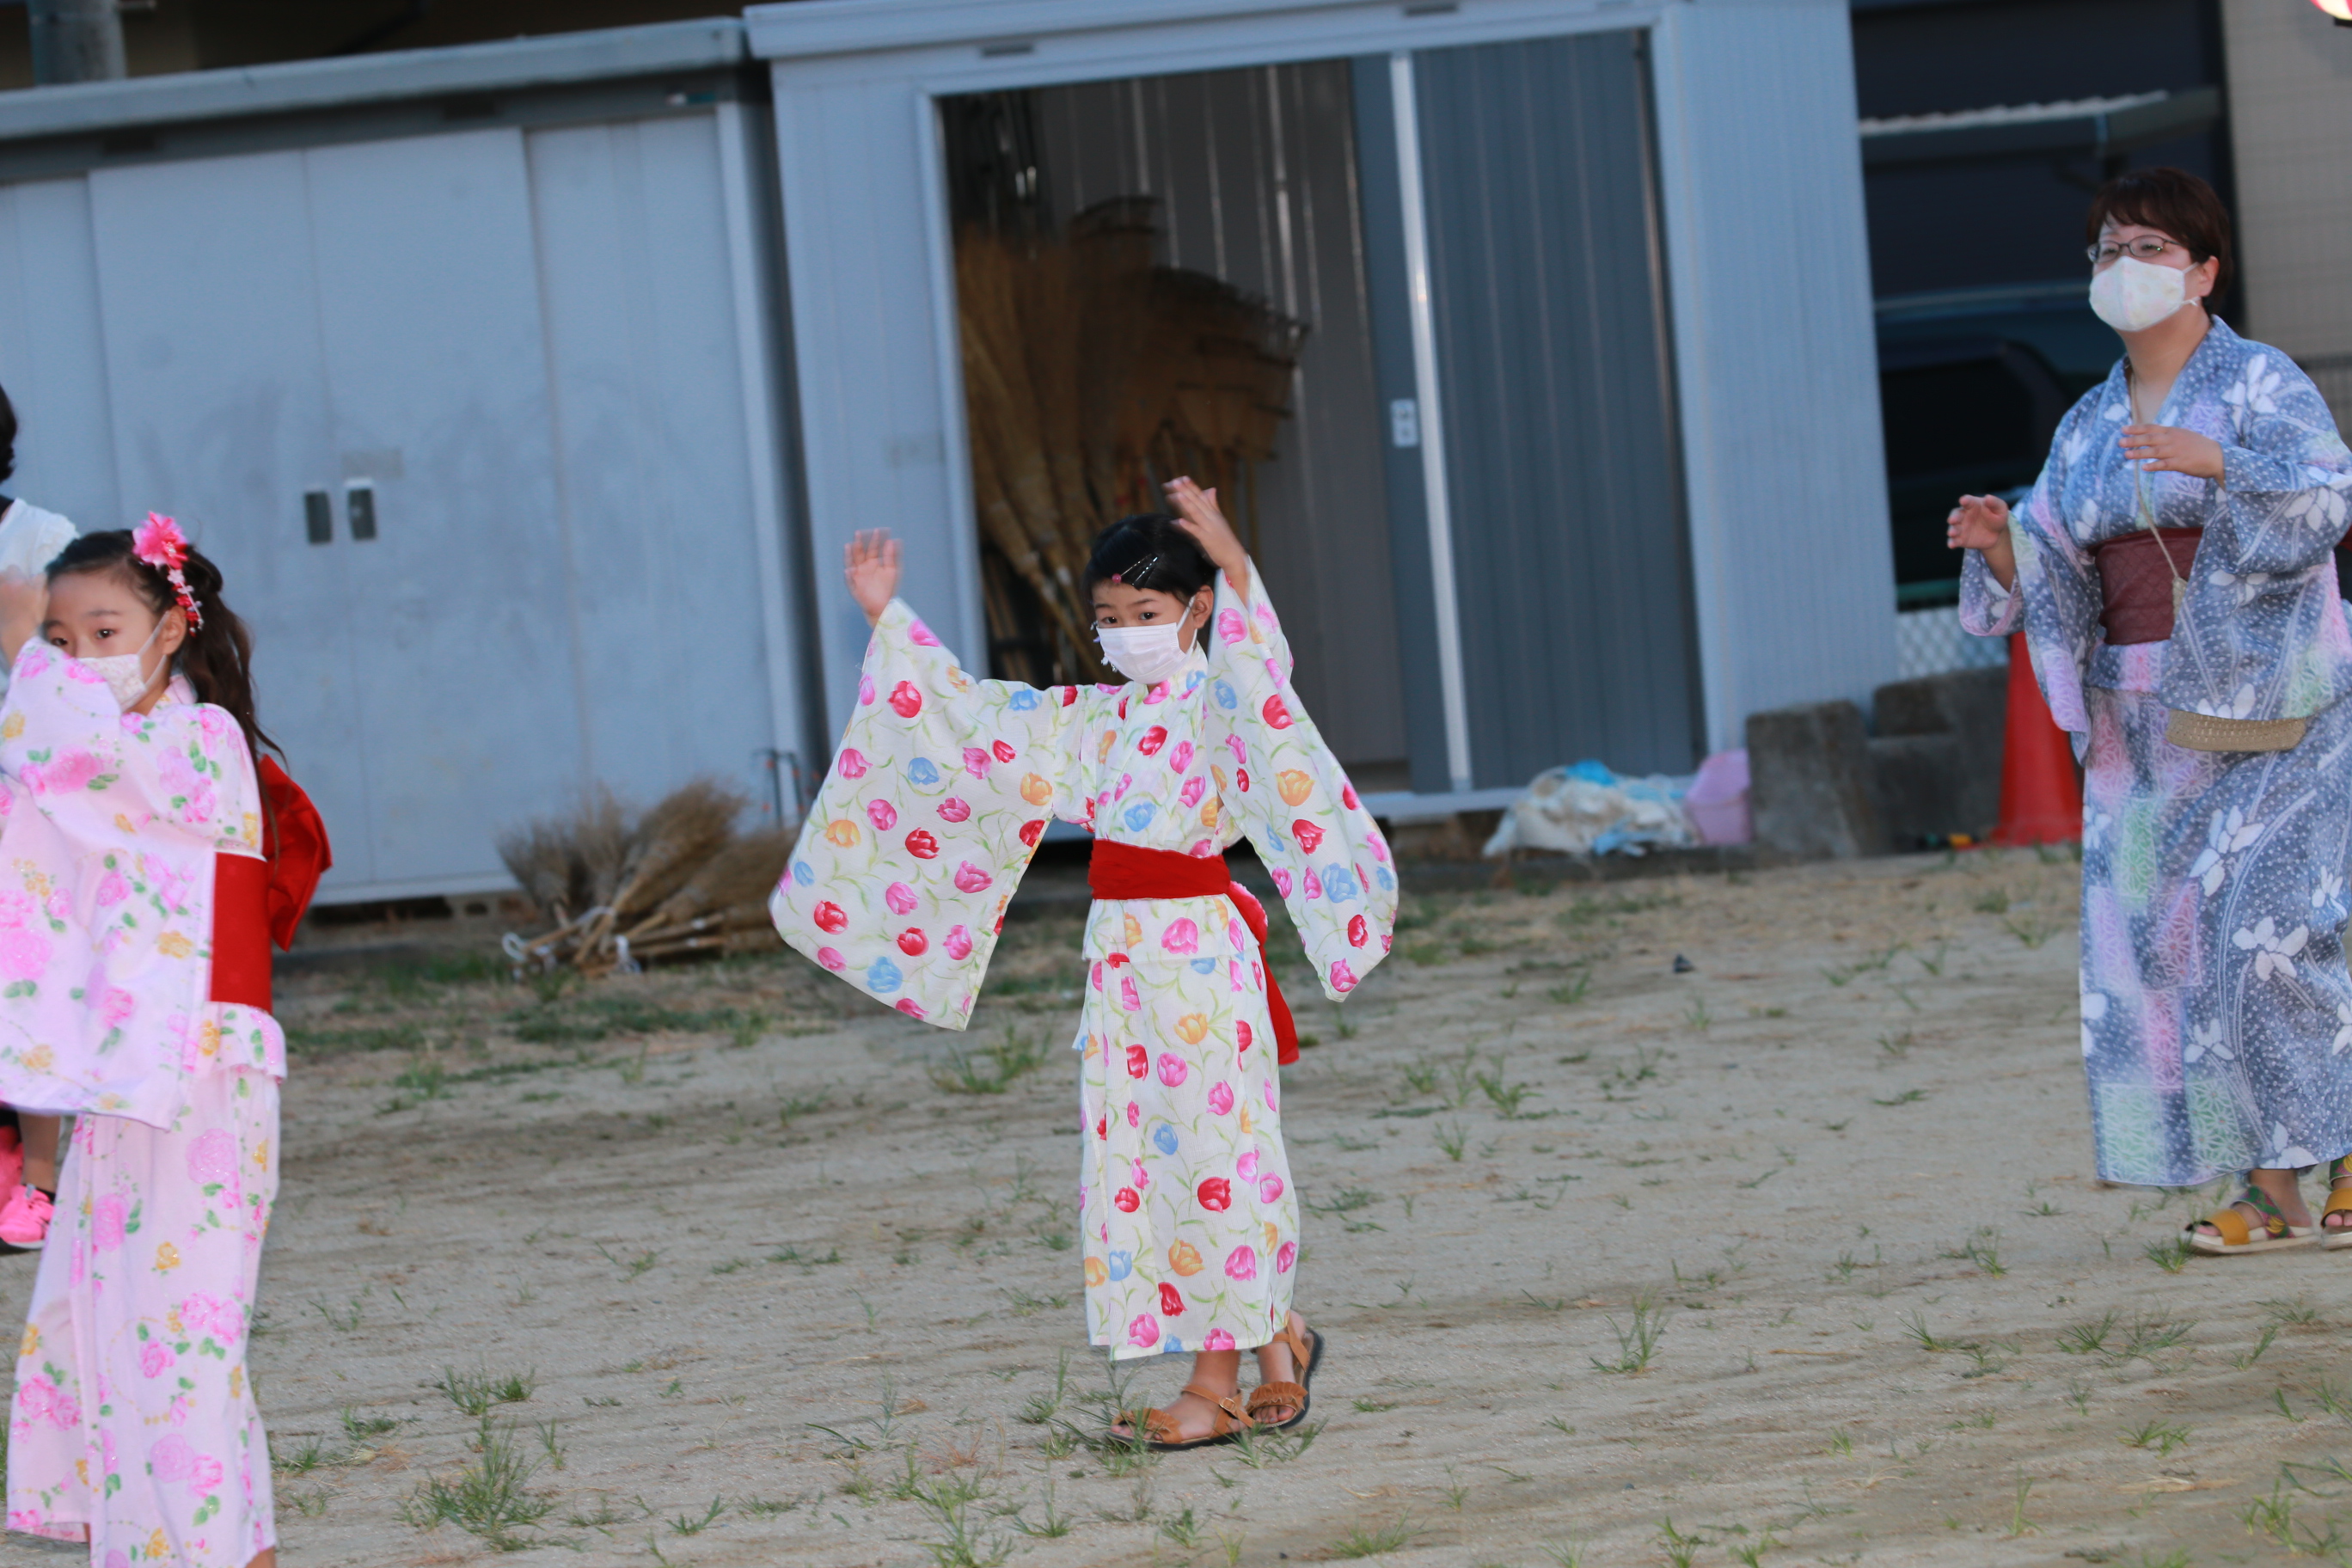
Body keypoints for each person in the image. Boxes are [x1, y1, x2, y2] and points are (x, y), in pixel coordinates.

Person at [772, 478, 1395, 1447]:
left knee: (1212, 1154)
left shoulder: (1222, 698)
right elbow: (972, 724)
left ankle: (1217, 1382)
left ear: (1195, 612)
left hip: (1196, 956)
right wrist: (886, 618)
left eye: (1146, 612)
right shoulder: (1093, 719)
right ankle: (1279, 1334)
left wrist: (1231, 559)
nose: (1126, 631)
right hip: (1122, 963)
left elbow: (1260, 671)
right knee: (1153, 1159)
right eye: (1109, 616)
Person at [1948, 168, 2352, 1253]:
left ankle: (2345, 1145)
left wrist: (2215, 459)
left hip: (2281, 711)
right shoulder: (2085, 423)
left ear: (2204, 269)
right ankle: (2268, 1189)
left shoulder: (2261, 383)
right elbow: (2062, 567)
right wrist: (2004, 545)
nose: (2124, 267)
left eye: (2149, 248)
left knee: (2269, 937)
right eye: (2109, 249)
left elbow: (2328, 493)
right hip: (2143, 723)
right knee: (2173, 952)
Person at [0, 517, 330, 1568]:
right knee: (121, 1334)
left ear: (173, 628)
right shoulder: (113, 753)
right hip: (124, 1077)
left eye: (105, 630)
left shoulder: (198, 743)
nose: (77, 656)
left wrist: (20, 653)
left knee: (183, 1344)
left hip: (199, 1076)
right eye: (61, 636)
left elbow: (65, 751)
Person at [0, 379, 78, 1254]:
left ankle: (45, 1177)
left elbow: (73, 693)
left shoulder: (40, 542)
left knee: (27, 987)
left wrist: (18, 636)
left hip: (32, 803)